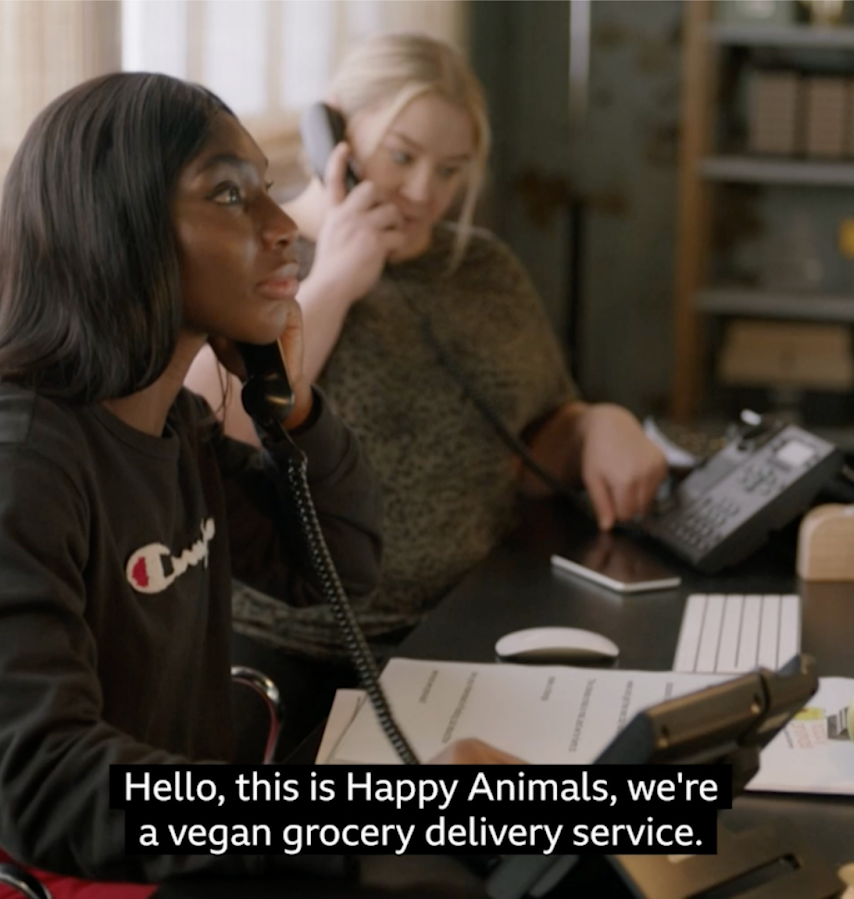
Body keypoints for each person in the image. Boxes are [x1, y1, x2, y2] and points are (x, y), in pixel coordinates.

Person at [0, 72, 513, 898]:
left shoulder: (163, 423)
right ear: (119, 230)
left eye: (266, 189)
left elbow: (340, 558)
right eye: (229, 194)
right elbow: (40, 782)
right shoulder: (8, 460)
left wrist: (288, 405)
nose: (283, 227)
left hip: (109, 839)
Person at [186, 34, 670, 751]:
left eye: (450, 170)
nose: (424, 193)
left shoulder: (483, 269)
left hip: (470, 626)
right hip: (290, 650)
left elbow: (531, 441)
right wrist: (339, 278)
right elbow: (206, 426)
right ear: (335, 134)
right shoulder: (246, 255)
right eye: (403, 156)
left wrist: (598, 421)